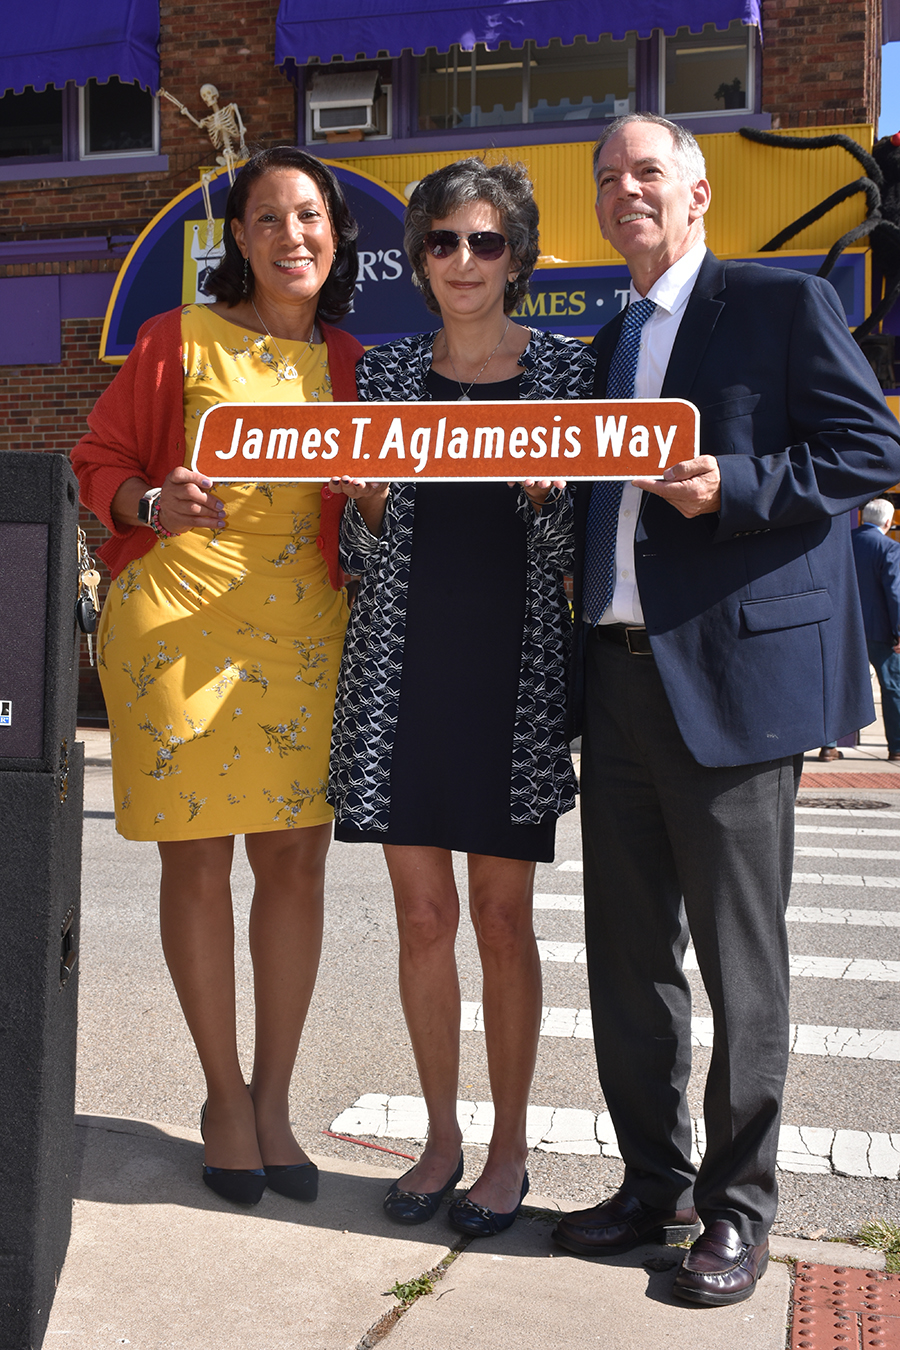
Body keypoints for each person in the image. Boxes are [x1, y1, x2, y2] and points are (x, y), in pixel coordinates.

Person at [552, 113, 900, 1304]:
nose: (626, 190)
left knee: (742, 968)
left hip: (737, 687)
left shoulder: (778, 306)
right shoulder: (606, 342)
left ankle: (738, 1212)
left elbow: (869, 448)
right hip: (616, 675)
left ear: (698, 193)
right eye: (609, 178)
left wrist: (735, 485)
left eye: (647, 170)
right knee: (628, 960)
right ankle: (656, 1185)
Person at [71, 146, 363, 1207]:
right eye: (271, 220)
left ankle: (275, 1097)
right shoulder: (173, 339)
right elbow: (97, 460)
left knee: (295, 864)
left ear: (336, 237)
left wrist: (373, 499)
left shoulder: (355, 362)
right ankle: (221, 1097)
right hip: (180, 630)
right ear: (237, 241)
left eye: (311, 218)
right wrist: (154, 506)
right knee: (196, 866)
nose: (294, 236)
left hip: (306, 639)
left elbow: (385, 516)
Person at [328, 159, 595, 1237]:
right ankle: (439, 1137)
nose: (464, 262)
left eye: (487, 243)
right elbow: (362, 544)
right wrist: (372, 507)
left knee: (501, 919)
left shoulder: (571, 375)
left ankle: (510, 1150)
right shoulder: (384, 377)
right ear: (420, 257)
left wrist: (548, 504)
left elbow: (587, 548)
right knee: (424, 918)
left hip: (514, 676)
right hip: (403, 673)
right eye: (444, 242)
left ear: (518, 257)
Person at [852, 498, 900, 761]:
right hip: (880, 630)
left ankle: (829, 746)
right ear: (888, 522)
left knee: (838, 685)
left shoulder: (845, 542)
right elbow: (895, 594)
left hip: (845, 627)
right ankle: (897, 747)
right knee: (892, 688)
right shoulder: (889, 548)